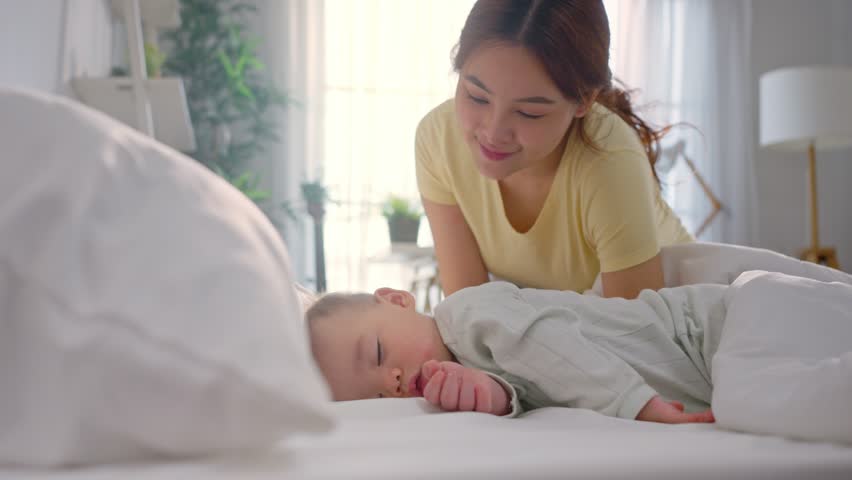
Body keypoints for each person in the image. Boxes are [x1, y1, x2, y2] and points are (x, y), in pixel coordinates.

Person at [307, 271, 852, 435]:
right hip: (711, 352)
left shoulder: (467, 313)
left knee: (759, 400)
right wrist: (485, 395)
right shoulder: (470, 357)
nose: (395, 380)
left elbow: (550, 349)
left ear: (397, 299)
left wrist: (639, 406)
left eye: (377, 352)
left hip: (706, 330)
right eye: (376, 391)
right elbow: (521, 388)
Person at [416, 0, 692, 300]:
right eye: (477, 97)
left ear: (585, 101)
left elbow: (635, 335)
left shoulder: (609, 160)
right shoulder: (439, 140)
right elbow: (467, 311)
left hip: (684, 321)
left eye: (529, 113)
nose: (493, 133)